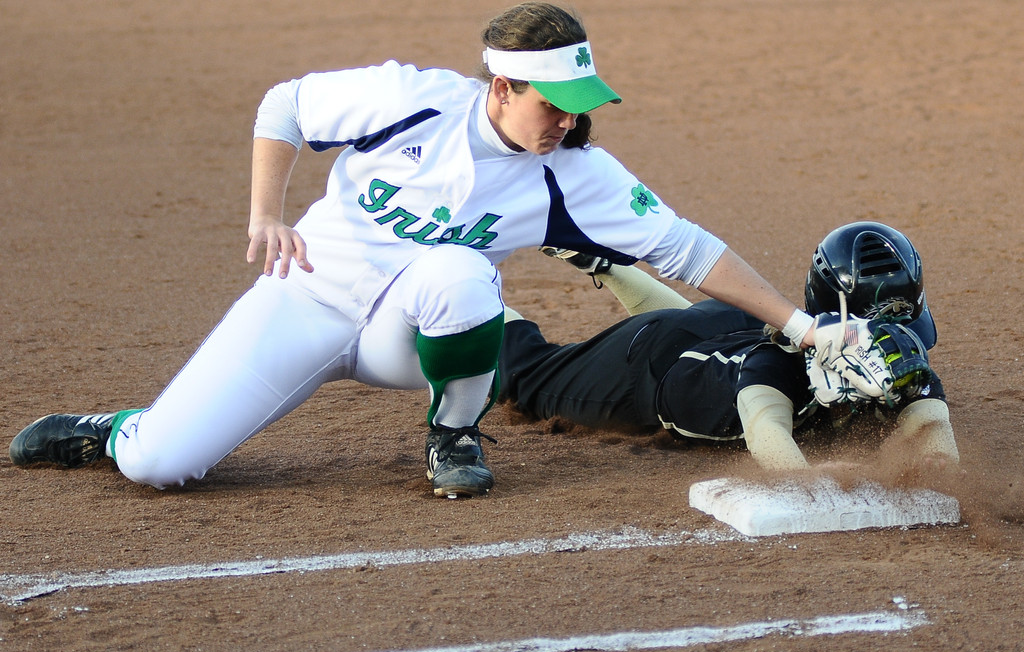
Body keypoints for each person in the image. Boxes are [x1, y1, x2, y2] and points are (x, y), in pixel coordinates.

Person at [10, 2, 838, 498]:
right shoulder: (409, 100)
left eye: (579, 104)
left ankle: (454, 433)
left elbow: (689, 251)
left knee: (457, 270)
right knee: (163, 465)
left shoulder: (575, 175)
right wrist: (268, 210)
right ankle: (115, 429)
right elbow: (285, 105)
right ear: (501, 87)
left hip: (413, 336)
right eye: (552, 103)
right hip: (303, 300)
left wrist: (802, 329)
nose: (568, 122)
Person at [498, 221, 960, 471]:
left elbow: (936, 439)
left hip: (732, 324)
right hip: (654, 361)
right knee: (525, 380)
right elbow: (776, 452)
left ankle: (606, 264)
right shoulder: (773, 369)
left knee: (690, 321)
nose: (889, 350)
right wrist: (843, 475)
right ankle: (477, 304)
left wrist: (931, 442)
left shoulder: (902, 355)